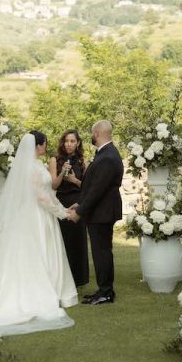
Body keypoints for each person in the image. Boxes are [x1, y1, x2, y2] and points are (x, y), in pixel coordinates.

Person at [0, 131, 77, 335]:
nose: (45, 147)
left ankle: (54, 288)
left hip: (43, 216)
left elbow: (49, 194)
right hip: (34, 217)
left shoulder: (38, 165)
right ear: (38, 146)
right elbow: (41, 198)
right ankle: (40, 292)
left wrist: (64, 210)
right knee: (36, 253)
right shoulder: (30, 169)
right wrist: (63, 215)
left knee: (46, 251)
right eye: (44, 144)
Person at [67, 120, 123, 305]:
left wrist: (80, 211)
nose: (91, 137)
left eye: (92, 133)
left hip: (102, 212)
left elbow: (98, 190)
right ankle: (103, 289)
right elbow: (92, 186)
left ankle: (106, 292)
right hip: (101, 211)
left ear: (97, 133)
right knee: (101, 252)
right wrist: (79, 203)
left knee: (102, 252)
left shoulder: (107, 156)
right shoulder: (105, 154)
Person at [48, 129, 89, 288]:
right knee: (62, 242)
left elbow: (86, 186)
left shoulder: (81, 161)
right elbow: (53, 185)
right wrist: (62, 173)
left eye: (72, 141)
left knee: (78, 242)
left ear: (77, 143)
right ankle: (63, 279)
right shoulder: (55, 160)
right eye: (66, 141)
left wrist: (73, 179)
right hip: (61, 203)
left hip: (78, 203)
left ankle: (79, 280)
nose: (69, 144)